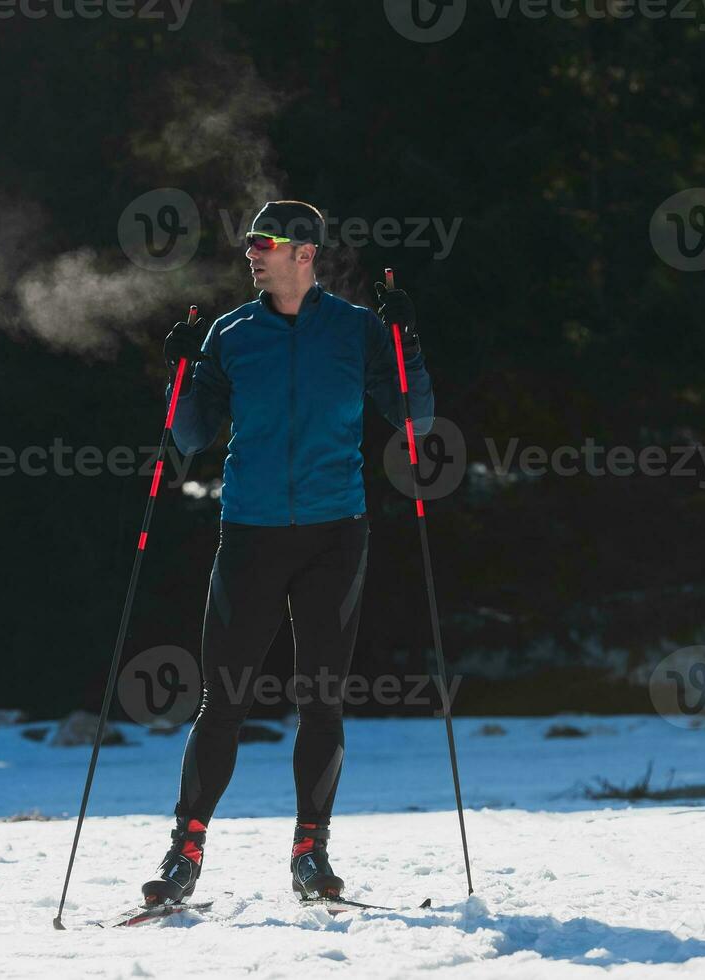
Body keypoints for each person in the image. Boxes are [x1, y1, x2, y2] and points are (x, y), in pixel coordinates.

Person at [141, 201, 434, 904]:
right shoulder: (232, 331)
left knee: (322, 700)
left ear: (304, 252)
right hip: (251, 532)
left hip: (336, 533)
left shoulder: (358, 330)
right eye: (248, 244)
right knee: (224, 700)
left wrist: (408, 342)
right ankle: (185, 851)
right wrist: (179, 372)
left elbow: (414, 416)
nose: (251, 254)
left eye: (263, 243)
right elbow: (188, 433)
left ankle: (311, 850)